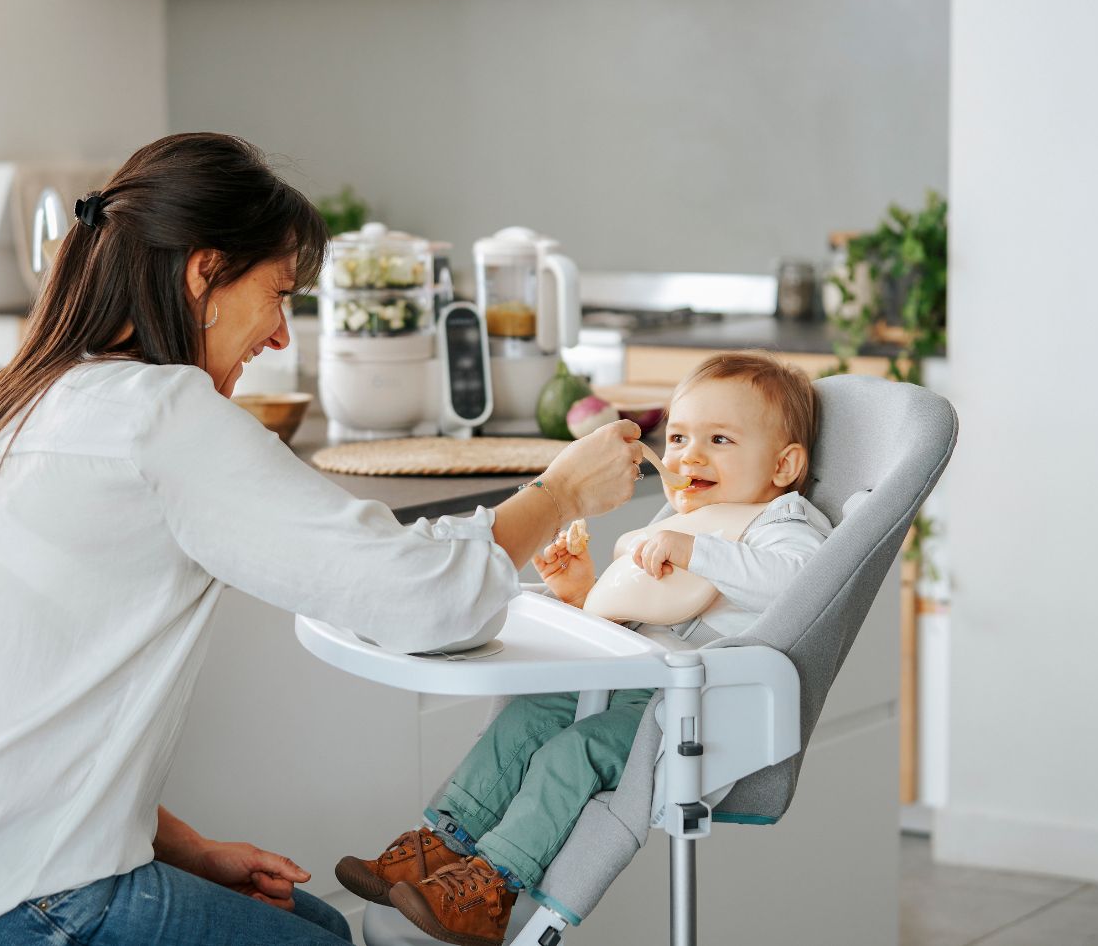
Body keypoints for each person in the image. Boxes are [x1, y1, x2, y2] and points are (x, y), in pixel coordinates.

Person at [0, 133, 646, 946]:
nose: (279, 335)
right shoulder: (161, 413)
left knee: (323, 926)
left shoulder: (1, 402)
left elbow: (3, 711)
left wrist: (180, 849)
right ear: (205, 274)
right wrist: (561, 490)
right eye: (276, 296)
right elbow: (424, 601)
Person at [336, 351, 834, 946]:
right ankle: (445, 844)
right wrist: (583, 594)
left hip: (687, 708)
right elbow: (643, 614)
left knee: (573, 754)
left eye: (719, 439)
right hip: (632, 678)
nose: (689, 456)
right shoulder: (688, 523)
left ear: (784, 464)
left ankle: (491, 884)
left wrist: (694, 551)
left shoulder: (781, 523)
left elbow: (804, 580)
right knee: (530, 714)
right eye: (677, 437)